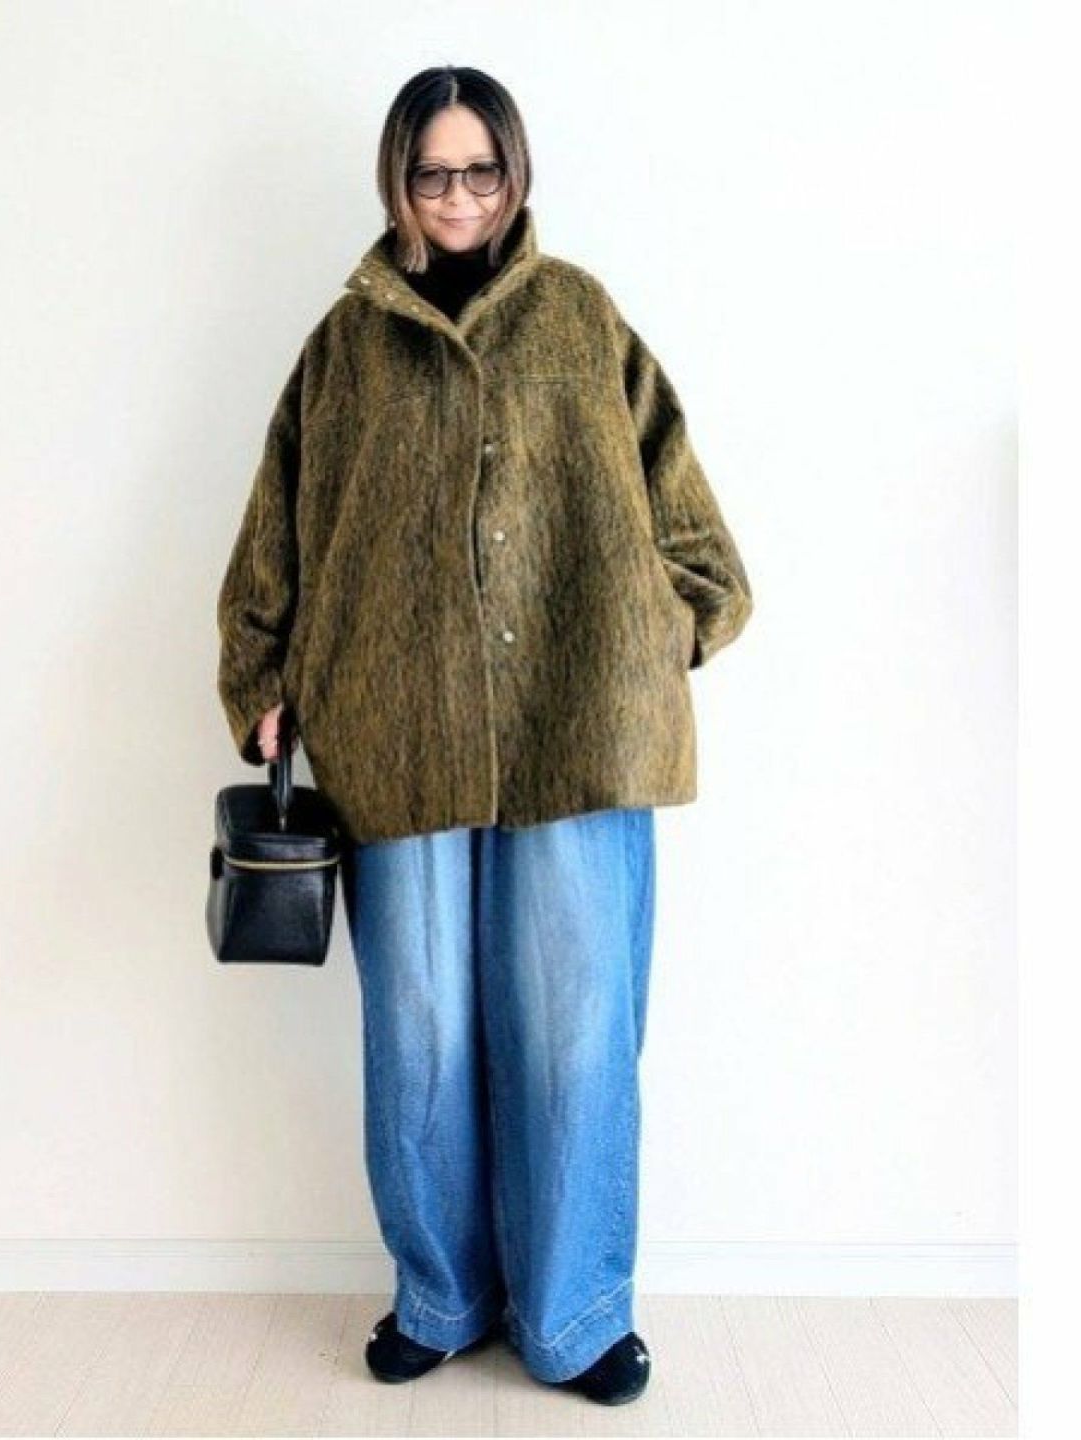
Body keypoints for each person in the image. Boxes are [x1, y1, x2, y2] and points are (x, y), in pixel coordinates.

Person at [216, 65, 753, 1406]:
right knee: (421, 1035)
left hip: (583, 722)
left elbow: (683, 506)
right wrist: (260, 670)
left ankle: (576, 1317)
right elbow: (279, 521)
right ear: (397, 181)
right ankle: (443, 1298)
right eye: (432, 173)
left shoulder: (579, 315)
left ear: (515, 173)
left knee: (575, 1029)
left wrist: (669, 627)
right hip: (394, 729)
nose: (458, 197)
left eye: (481, 170)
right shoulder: (345, 347)